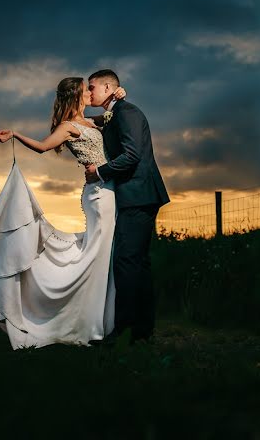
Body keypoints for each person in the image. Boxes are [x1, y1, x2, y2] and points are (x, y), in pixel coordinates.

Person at [0, 77, 125, 349]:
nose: (90, 93)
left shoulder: (92, 122)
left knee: (103, 257)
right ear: (76, 95)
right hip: (99, 195)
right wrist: (15, 135)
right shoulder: (68, 127)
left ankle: (100, 321)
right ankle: (88, 324)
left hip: (108, 190)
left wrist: (118, 97)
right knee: (98, 257)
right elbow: (43, 147)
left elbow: (113, 115)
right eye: (86, 90)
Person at [83, 69, 170, 343]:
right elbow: (80, 121)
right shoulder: (113, 113)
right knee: (136, 263)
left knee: (126, 261)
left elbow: (132, 155)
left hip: (139, 193)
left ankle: (123, 329)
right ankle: (141, 332)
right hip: (135, 195)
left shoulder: (126, 112)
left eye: (93, 87)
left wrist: (99, 171)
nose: (89, 92)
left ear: (109, 87)